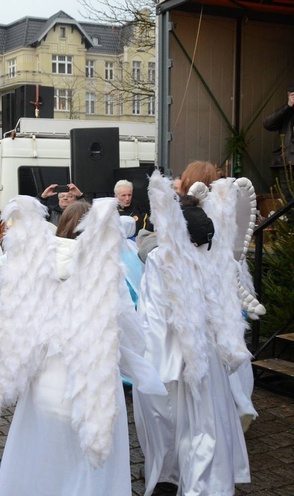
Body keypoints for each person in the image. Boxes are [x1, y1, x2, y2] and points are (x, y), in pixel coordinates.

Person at [0, 195, 165, 495]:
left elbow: (13, 321)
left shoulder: (33, 268)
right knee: (87, 472)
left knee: (39, 461)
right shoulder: (104, 273)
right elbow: (131, 335)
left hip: (43, 389)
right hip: (90, 390)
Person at [132, 166, 252, 496]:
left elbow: (153, 314)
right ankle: (198, 484)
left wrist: (154, 364)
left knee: (172, 425)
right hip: (203, 354)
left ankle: (174, 480)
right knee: (204, 427)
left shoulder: (162, 259)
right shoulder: (215, 257)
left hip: (174, 358)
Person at [263, 83, 294, 192]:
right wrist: (288, 106)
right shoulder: (286, 112)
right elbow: (268, 124)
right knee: (288, 197)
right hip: (286, 162)